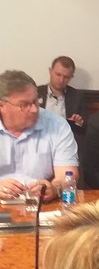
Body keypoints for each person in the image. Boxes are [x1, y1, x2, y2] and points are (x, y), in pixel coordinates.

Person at [0, 69, 78, 202]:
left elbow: (68, 173)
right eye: (25, 105)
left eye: (36, 101)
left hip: (42, 204)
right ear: (2, 106)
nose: (34, 109)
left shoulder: (57, 125)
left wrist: (55, 188)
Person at [37, 55, 88, 150]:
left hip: (65, 144)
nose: (61, 80)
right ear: (50, 71)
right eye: (58, 74)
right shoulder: (36, 92)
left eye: (66, 77)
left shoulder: (77, 97)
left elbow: (85, 128)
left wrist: (78, 123)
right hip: (39, 141)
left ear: (71, 77)